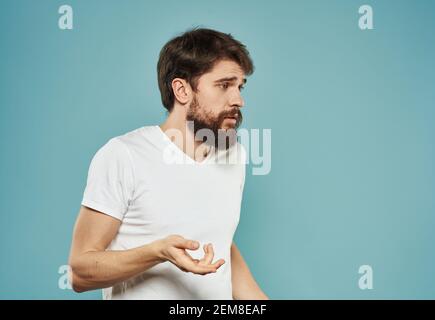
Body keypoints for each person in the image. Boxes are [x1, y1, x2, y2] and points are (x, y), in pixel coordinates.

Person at [68, 28, 268, 300]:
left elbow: (221, 243)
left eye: (240, 87)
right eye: (224, 85)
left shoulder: (234, 155)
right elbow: (79, 273)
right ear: (182, 90)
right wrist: (158, 252)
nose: (238, 100)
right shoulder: (124, 155)